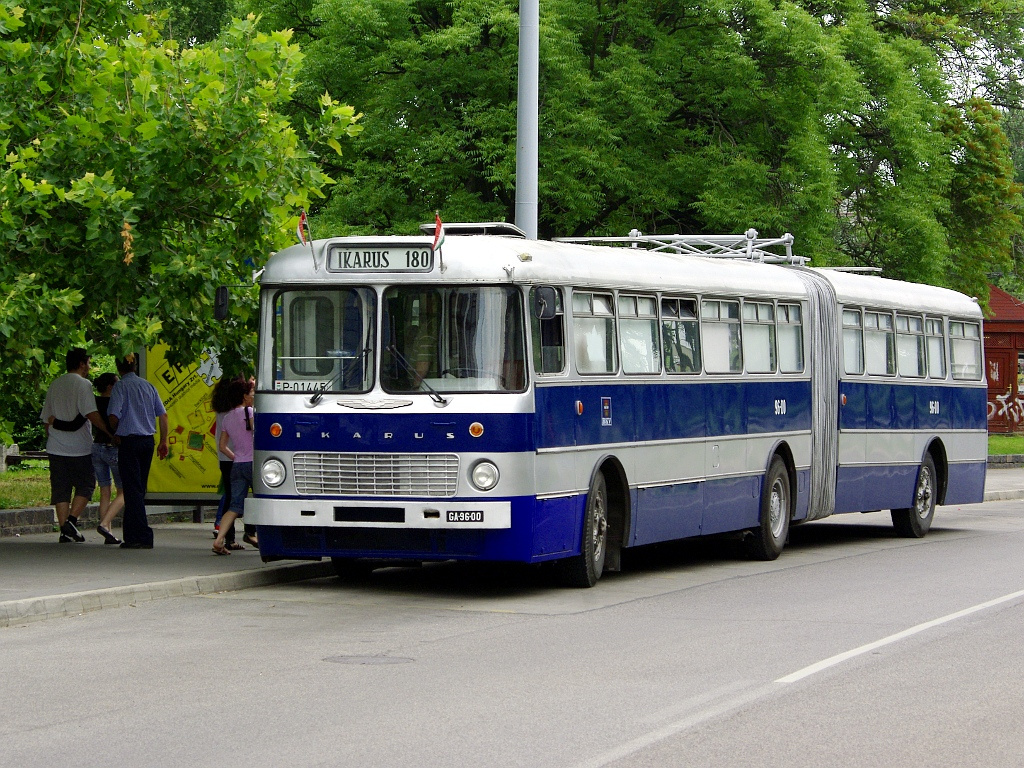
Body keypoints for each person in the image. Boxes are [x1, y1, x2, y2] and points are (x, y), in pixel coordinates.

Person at [40, 348, 115, 543]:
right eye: (89, 363)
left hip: (55, 447)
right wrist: (108, 431)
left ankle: (65, 531)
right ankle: (71, 522)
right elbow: (90, 413)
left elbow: (46, 420)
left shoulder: (54, 384)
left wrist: (52, 435)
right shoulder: (84, 385)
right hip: (79, 447)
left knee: (61, 489)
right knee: (85, 485)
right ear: (82, 364)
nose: (89, 367)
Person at [107, 354, 169, 549]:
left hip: (129, 442)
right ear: (135, 366)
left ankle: (141, 535)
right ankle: (132, 535)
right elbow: (163, 415)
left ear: (119, 368)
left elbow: (113, 415)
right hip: (147, 442)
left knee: (131, 488)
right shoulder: (148, 386)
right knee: (138, 488)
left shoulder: (120, 386)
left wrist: (115, 432)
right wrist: (163, 441)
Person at [212, 378, 256, 555]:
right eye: (251, 394)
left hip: (237, 465)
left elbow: (222, 446)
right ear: (244, 396)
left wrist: (236, 456)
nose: (253, 396)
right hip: (253, 463)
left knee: (234, 506)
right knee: (260, 499)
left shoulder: (227, 418)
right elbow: (257, 435)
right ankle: (256, 535)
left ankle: (219, 539)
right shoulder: (250, 413)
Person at [209, 374, 244, 548]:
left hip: (224, 457)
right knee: (237, 497)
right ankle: (242, 535)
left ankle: (227, 537)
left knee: (230, 496)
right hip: (237, 456)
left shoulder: (220, 409)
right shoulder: (237, 412)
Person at [91, 373, 124, 545]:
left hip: (96, 447)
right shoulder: (115, 402)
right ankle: (104, 525)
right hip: (113, 448)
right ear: (111, 386)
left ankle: (109, 532)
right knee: (123, 490)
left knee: (105, 491)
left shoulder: (94, 402)